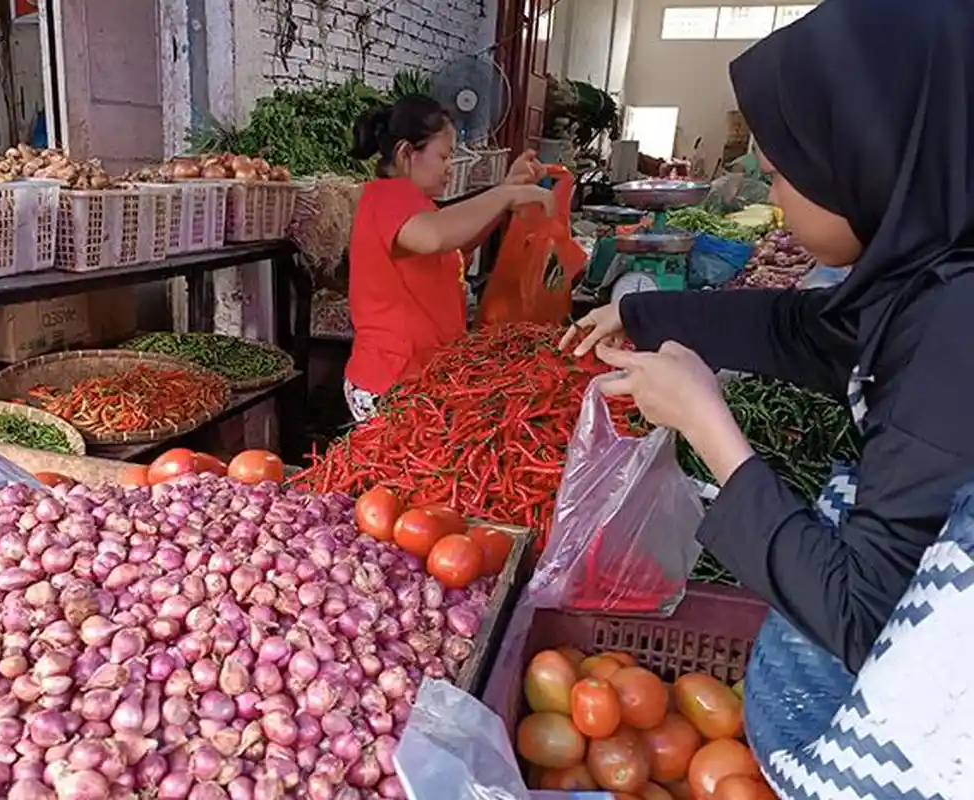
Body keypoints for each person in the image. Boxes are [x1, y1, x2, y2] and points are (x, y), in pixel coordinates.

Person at [561, 0, 974, 790]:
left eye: (784, 171)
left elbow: (867, 620)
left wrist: (708, 427)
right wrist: (647, 311)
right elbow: (812, 329)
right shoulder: (926, 276)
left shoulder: (958, 329)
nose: (776, 198)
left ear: (862, 156)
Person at [344, 94, 552, 420]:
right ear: (405, 153)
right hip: (390, 382)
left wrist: (506, 191)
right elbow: (436, 236)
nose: (450, 169)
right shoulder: (387, 196)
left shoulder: (419, 206)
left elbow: (455, 242)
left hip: (420, 377)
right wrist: (505, 194)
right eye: (443, 157)